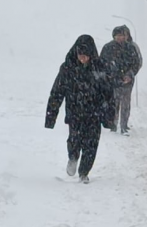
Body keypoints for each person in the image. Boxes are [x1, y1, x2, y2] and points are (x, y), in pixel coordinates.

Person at [45, 35, 116, 184]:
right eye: (80, 55)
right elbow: (57, 92)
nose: (83, 59)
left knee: (91, 144)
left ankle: (84, 172)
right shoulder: (67, 68)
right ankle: (73, 157)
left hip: (94, 113)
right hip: (75, 113)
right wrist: (51, 116)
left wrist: (109, 117)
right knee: (74, 140)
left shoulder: (100, 68)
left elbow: (108, 93)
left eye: (86, 56)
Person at [100, 26, 141, 135]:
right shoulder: (107, 48)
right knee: (114, 102)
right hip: (112, 81)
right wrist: (108, 77)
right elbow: (102, 64)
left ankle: (124, 125)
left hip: (127, 80)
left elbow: (136, 63)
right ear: (114, 36)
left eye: (122, 35)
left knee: (125, 103)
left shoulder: (131, 48)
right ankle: (113, 125)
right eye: (118, 36)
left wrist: (130, 75)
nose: (120, 38)